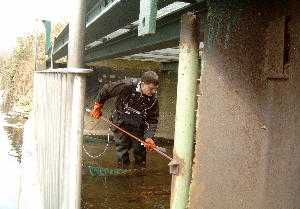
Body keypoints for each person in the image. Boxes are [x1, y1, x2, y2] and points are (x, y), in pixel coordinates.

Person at [91, 71, 159, 166]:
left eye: (155, 89)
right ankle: (123, 172)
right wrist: (97, 107)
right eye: (151, 89)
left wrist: (149, 136)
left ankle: (140, 171)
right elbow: (106, 90)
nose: (153, 92)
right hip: (120, 122)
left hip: (139, 125)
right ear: (143, 84)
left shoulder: (153, 98)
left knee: (140, 151)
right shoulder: (126, 85)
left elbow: (152, 119)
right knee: (121, 150)